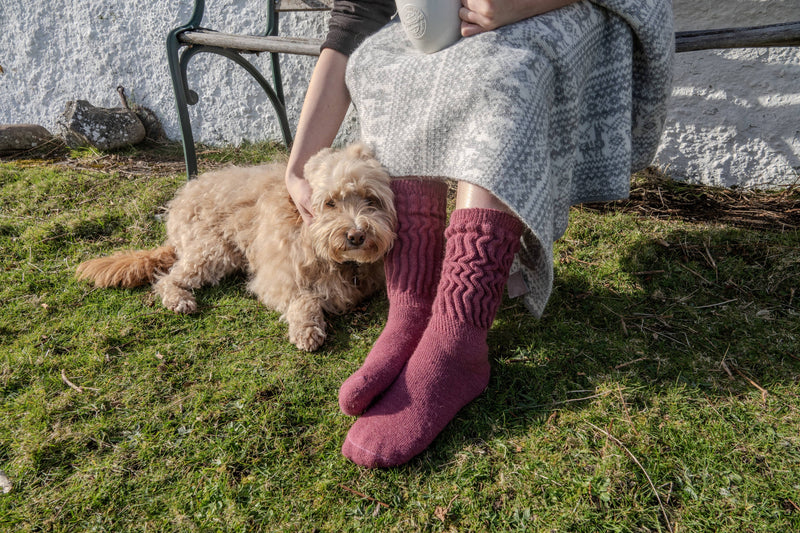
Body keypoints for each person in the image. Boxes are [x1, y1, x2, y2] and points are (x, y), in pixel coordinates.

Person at [284, 0, 674, 468]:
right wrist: (298, 165)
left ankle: (457, 339)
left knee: (503, 73)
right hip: (457, 24)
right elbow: (356, 17)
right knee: (382, 67)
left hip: (575, 7)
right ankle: (412, 309)